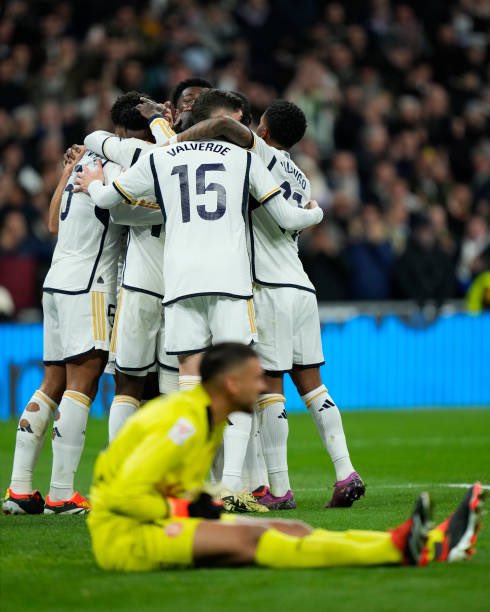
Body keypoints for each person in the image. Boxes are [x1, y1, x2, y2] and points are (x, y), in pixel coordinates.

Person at [87, 342, 485, 572]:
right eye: (255, 378)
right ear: (231, 384)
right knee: (254, 538)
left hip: (153, 521)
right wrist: (188, 509)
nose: (264, 386)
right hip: (126, 536)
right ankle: (403, 549)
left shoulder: (207, 417)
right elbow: (123, 495)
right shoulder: (185, 424)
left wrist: (197, 502)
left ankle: (423, 541)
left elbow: (170, 485)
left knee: (291, 527)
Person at [171, 99, 364, 508]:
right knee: (313, 386)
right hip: (301, 287)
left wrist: (178, 140)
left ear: (265, 130)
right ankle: (345, 471)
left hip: (269, 287)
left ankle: (279, 488)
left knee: (269, 391)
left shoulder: (260, 153)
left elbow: (229, 129)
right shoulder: (302, 177)